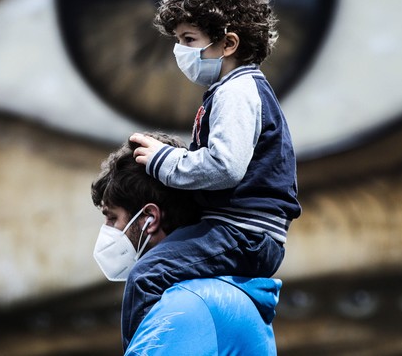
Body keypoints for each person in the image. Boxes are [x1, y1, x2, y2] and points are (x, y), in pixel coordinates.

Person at [126, 0, 301, 347]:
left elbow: (225, 165)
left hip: (242, 234)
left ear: (228, 43)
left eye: (189, 40)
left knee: (146, 276)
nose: (179, 51)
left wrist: (162, 161)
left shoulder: (237, 92)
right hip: (238, 231)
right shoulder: (234, 90)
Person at [91, 134, 280, 355]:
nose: (107, 230)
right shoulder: (225, 292)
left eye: (112, 218)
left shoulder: (187, 306)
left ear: (149, 219)